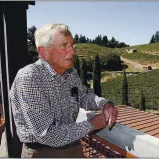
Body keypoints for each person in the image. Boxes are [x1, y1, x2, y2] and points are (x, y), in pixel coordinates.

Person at [10, 24, 118, 158]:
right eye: (64, 46)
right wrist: (91, 124)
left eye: (72, 45)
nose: (72, 51)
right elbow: (47, 134)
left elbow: (83, 97)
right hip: (43, 152)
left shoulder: (71, 73)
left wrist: (105, 104)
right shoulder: (30, 77)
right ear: (44, 52)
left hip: (74, 145)